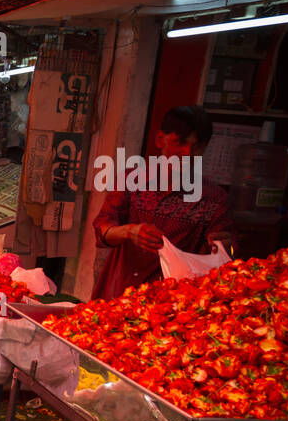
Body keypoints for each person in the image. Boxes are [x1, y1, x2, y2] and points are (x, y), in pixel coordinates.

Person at [91, 105, 234, 300]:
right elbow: (101, 229)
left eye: (197, 146)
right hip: (118, 292)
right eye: (179, 142)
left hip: (171, 303)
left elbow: (225, 256)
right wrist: (130, 231)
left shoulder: (214, 198)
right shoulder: (131, 180)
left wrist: (222, 246)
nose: (187, 152)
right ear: (160, 140)